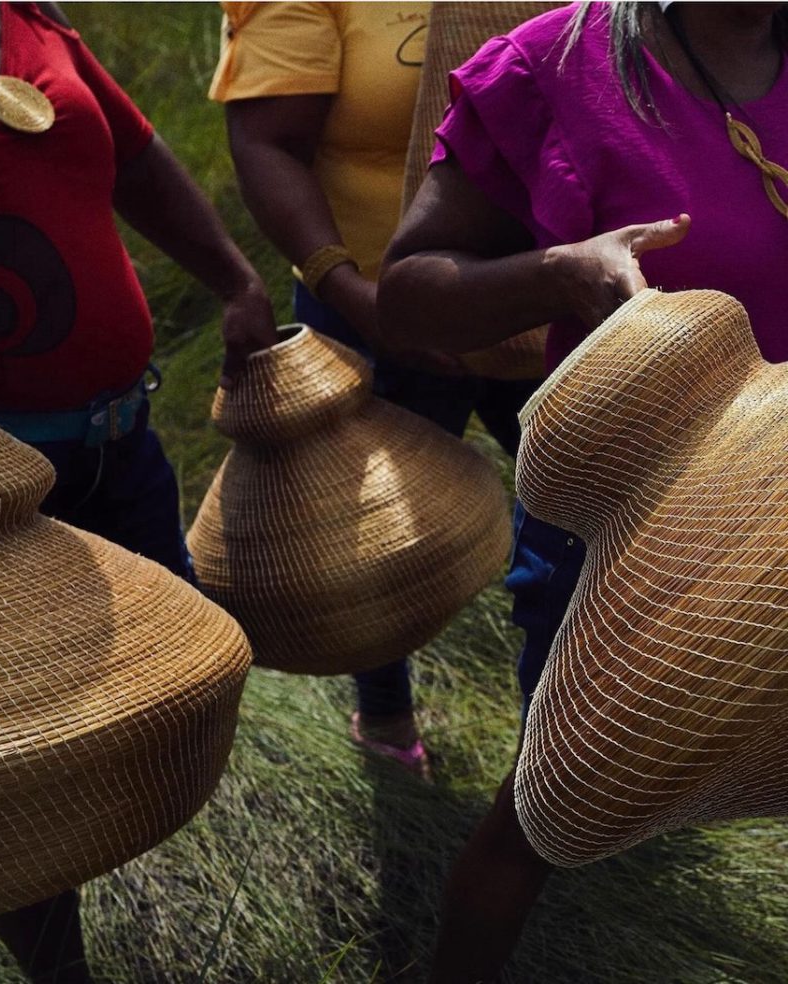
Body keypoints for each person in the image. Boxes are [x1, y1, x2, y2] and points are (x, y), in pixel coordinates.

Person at [377, 1, 788, 979]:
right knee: (550, 799)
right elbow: (406, 295)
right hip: (631, 533)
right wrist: (561, 272)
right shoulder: (549, 66)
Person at [0, 2, 277, 981]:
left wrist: (234, 277)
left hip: (121, 441)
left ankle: (134, 864)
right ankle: (59, 965)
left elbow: (136, 158)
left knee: (168, 681)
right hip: (0, 499)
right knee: (24, 753)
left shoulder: (26, 14)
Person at [209, 0, 542, 773]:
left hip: (547, 303)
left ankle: (562, 744)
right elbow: (267, 141)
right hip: (373, 311)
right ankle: (386, 717)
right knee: (362, 547)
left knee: (588, 524)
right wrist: (356, 294)